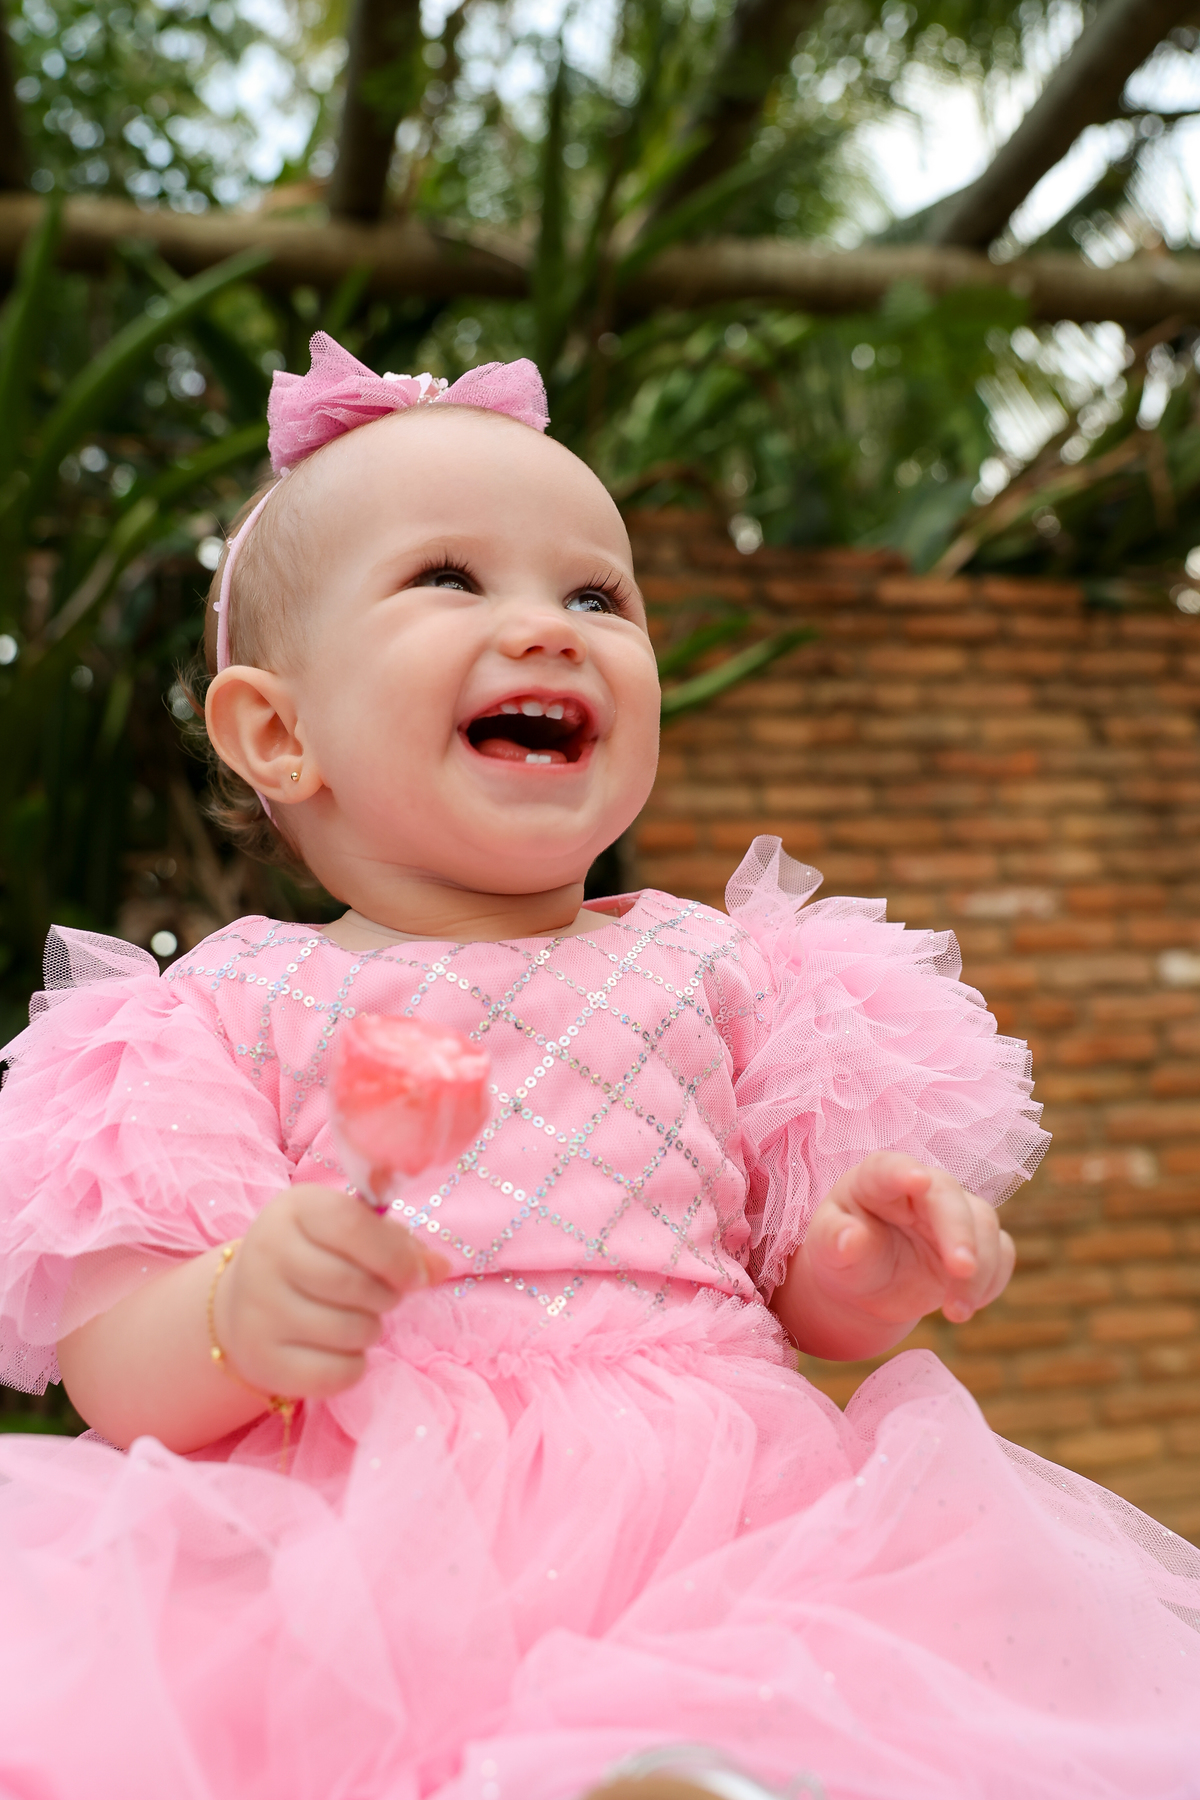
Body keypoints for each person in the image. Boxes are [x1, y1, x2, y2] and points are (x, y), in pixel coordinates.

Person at [0, 334, 1194, 1800]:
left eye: (595, 596)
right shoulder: (222, 1013)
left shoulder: (723, 969)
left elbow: (786, 1303)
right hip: (373, 1563)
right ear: (280, 730)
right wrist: (238, 1312)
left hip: (737, 1530)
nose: (550, 630)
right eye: (449, 578)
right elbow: (118, 1375)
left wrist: (857, 1270)